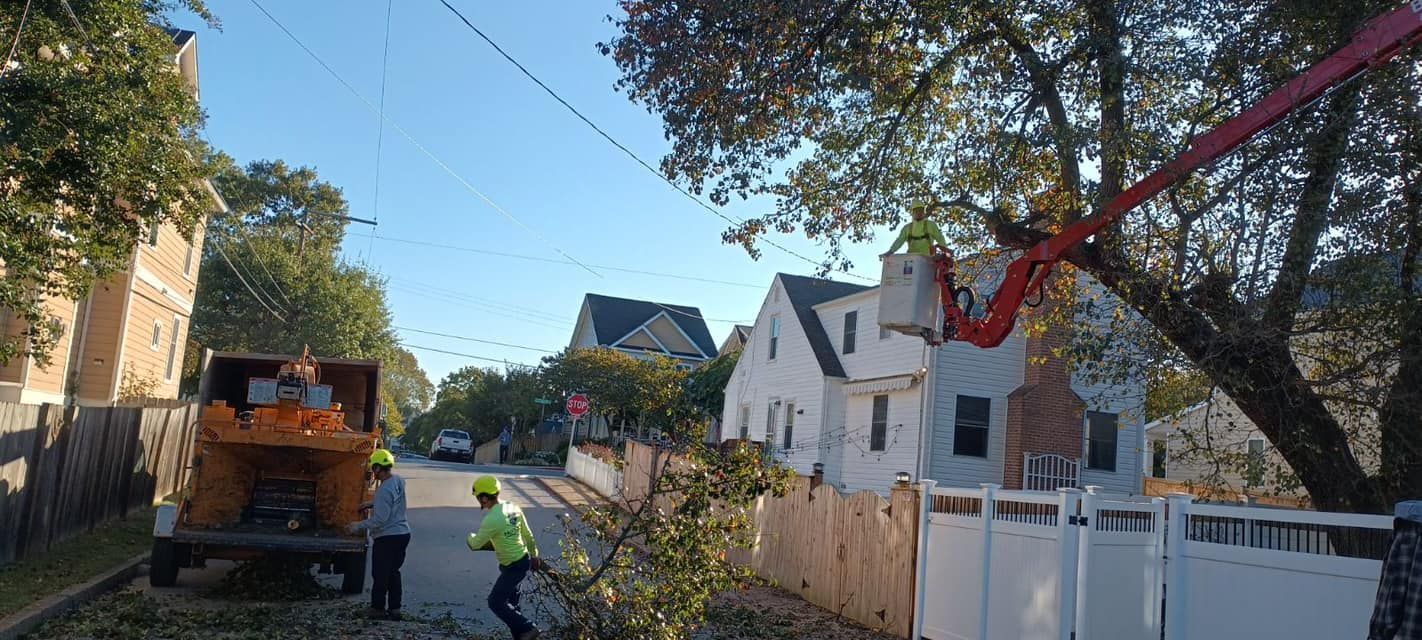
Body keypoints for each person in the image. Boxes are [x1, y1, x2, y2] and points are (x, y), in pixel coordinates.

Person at [467, 475, 543, 640]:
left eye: (479, 498)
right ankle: (522, 635)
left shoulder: (492, 519)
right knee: (511, 604)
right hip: (523, 560)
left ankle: (530, 628)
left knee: (495, 601)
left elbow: (475, 544)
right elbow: (527, 535)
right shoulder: (513, 507)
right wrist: (535, 555)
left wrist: (470, 537)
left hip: (513, 566)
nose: (479, 502)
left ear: (485, 498)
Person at [347, 449, 411, 620]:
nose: (372, 472)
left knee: (380, 574)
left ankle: (377, 609)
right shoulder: (398, 480)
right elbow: (391, 501)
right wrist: (371, 503)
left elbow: (379, 520)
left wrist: (357, 526)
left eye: (373, 468)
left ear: (377, 468)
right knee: (393, 572)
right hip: (403, 533)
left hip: (388, 537)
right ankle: (395, 609)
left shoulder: (383, 491)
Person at [882, 200, 948, 257]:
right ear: (912, 213)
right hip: (912, 259)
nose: (919, 213)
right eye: (916, 211)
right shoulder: (907, 228)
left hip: (928, 259)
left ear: (924, 212)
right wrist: (890, 252)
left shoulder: (930, 225)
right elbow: (899, 241)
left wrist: (946, 251)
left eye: (921, 211)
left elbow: (940, 237)